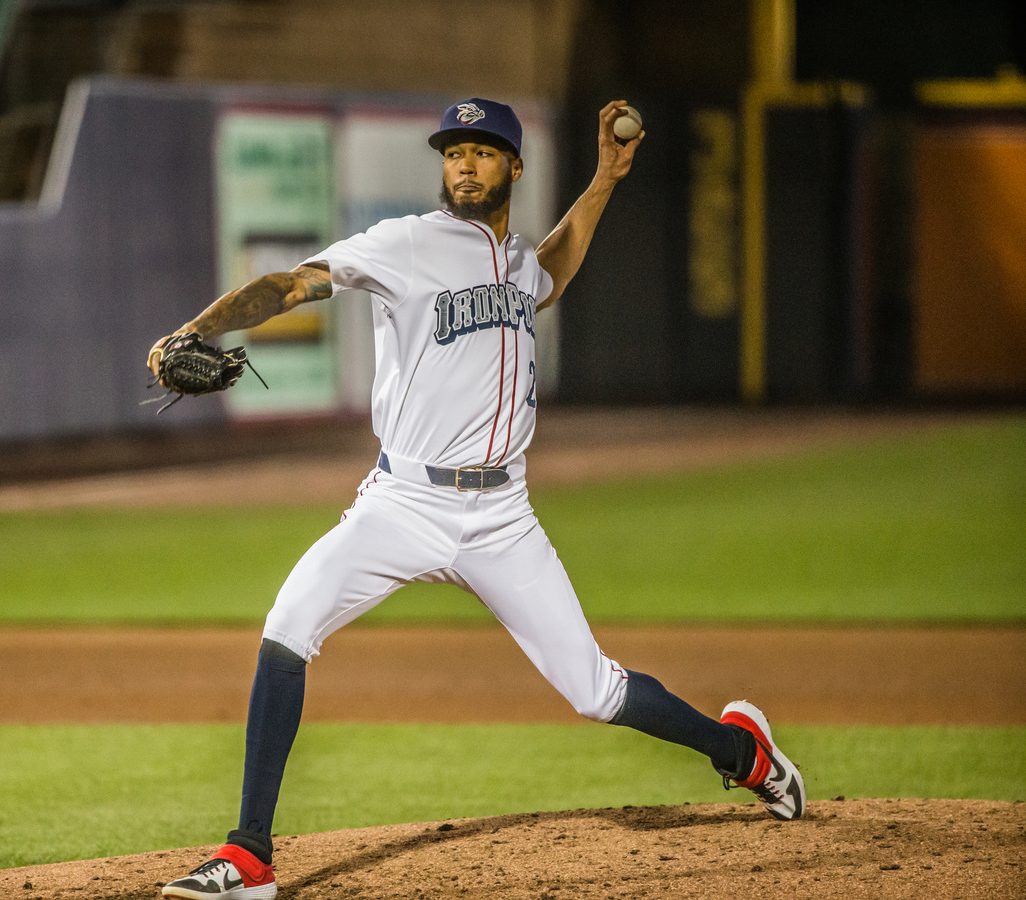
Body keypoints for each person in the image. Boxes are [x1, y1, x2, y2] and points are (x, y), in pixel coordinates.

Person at [150, 97, 804, 900]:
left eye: (483, 151)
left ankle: (745, 755)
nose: (464, 163)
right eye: (453, 151)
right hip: (404, 503)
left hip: (502, 517)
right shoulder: (405, 243)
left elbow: (552, 272)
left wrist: (604, 177)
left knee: (595, 690)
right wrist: (200, 328)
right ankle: (249, 856)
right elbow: (292, 284)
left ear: (514, 167)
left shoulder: (518, 262)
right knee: (288, 625)